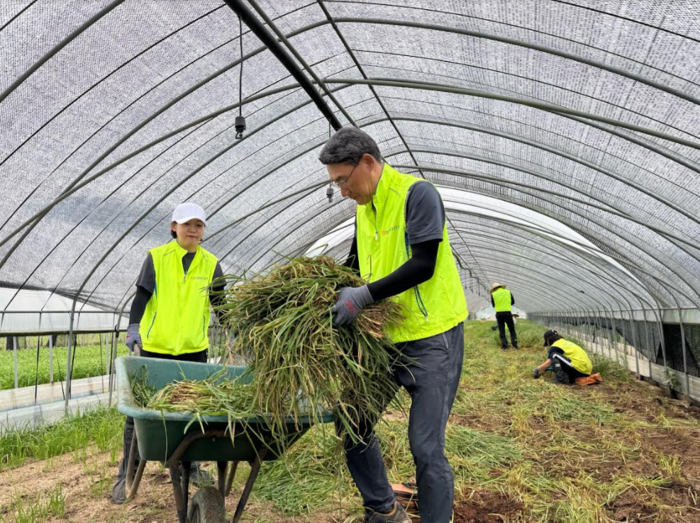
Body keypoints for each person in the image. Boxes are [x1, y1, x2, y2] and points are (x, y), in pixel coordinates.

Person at [320, 127, 468, 523]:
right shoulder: (364, 211)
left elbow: (424, 263)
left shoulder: (417, 195)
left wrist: (363, 297)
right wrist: (321, 288)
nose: (342, 190)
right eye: (335, 183)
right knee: (352, 421)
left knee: (425, 447)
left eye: (342, 180)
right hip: (384, 341)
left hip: (432, 338)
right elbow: (356, 267)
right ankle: (384, 509)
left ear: (367, 163)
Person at [111, 202, 225, 504]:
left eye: (199, 225)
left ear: (203, 231)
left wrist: (237, 332)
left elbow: (221, 306)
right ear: (173, 227)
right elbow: (142, 296)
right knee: (139, 415)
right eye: (187, 224)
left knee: (192, 413)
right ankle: (127, 473)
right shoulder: (156, 258)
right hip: (155, 350)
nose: (193, 230)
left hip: (193, 351)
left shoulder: (211, 264)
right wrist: (134, 327)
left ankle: (193, 466)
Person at [534, 329, 601, 385]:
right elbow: (559, 362)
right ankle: (570, 378)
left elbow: (549, 362)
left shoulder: (555, 345)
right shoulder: (565, 343)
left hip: (580, 368)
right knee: (556, 357)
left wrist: (537, 369)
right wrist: (545, 370)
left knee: (554, 355)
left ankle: (561, 380)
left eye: (547, 343)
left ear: (548, 340)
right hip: (585, 370)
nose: (548, 345)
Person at [490, 283, 517, 349]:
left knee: (501, 330)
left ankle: (504, 346)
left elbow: (493, 305)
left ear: (494, 289)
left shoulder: (493, 294)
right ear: (501, 287)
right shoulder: (508, 292)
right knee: (512, 330)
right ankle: (514, 345)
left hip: (499, 314)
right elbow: (513, 302)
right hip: (507, 313)